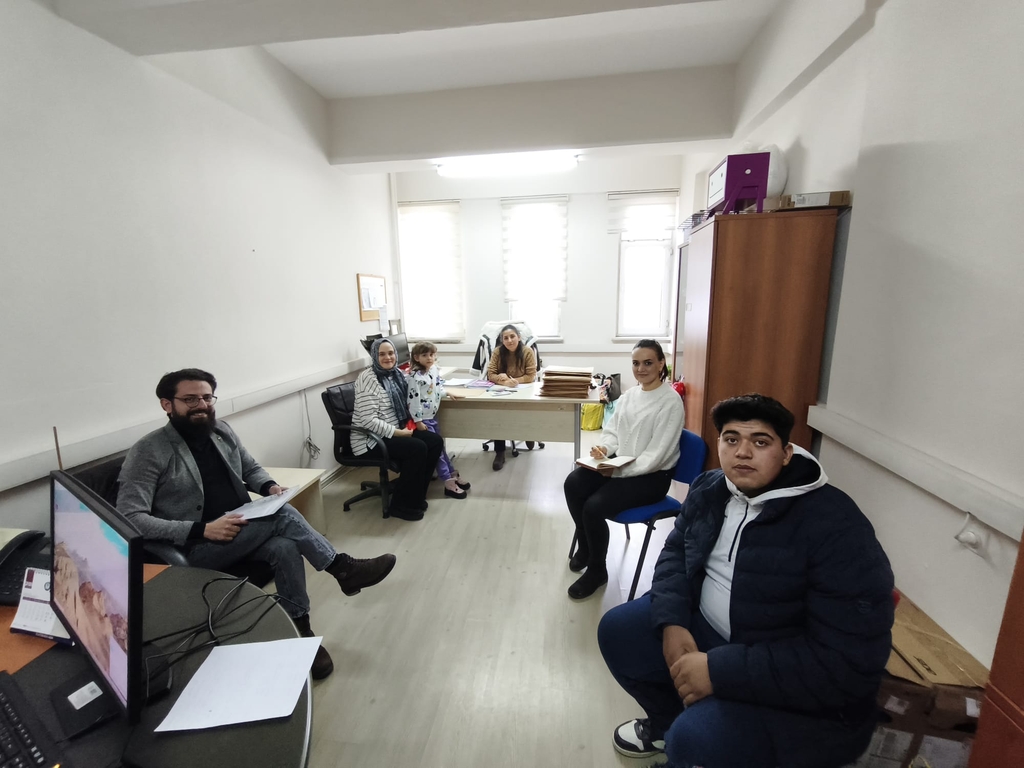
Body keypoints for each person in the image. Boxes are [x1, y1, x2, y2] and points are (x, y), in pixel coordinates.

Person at [598, 394, 894, 768]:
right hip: (710, 635)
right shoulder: (710, 488)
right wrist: (672, 622)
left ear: (786, 453)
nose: (742, 452)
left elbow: (847, 662)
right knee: (618, 631)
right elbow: (675, 555)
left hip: (789, 678)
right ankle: (666, 727)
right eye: (731, 439)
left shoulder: (837, 525)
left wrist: (718, 671)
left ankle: (688, 746)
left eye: (760, 441)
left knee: (697, 738)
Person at [117, 368, 397, 681]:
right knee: (283, 516)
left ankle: (301, 631)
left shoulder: (220, 430)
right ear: (167, 404)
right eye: (190, 399)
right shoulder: (148, 451)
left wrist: (270, 488)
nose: (202, 405)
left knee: (285, 546)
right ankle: (342, 568)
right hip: (195, 547)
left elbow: (250, 468)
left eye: (207, 397)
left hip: (239, 530)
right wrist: (202, 529)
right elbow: (131, 518)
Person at [562, 339, 684, 600]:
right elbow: (613, 432)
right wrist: (604, 449)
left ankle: (597, 570)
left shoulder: (671, 402)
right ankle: (586, 545)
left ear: (661, 364)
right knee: (574, 483)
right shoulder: (629, 395)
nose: (641, 369)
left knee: (594, 506)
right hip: (622, 464)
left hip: (653, 476)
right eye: (636, 363)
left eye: (648, 362)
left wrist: (617, 472)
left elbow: (656, 456)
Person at [352, 338, 444, 521]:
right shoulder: (368, 379)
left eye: (391, 353)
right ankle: (400, 506)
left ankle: (416, 496)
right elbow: (368, 420)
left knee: (435, 441)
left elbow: (415, 394)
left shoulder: (397, 374)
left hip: (397, 429)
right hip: (371, 439)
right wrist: (399, 433)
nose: (388, 357)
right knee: (417, 448)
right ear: (374, 356)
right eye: (382, 354)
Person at [406, 341, 471, 499]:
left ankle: (452, 473)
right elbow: (413, 400)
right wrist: (418, 421)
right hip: (424, 419)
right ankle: (448, 482)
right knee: (438, 454)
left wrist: (446, 393)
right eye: (425, 355)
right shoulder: (414, 377)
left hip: (433, 415)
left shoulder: (433, 370)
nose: (429, 358)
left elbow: (436, 387)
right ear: (416, 357)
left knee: (440, 447)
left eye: (432, 355)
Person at [485, 323, 537, 470]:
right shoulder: (497, 352)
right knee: (498, 416)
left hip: (524, 389)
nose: (509, 340)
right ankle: (500, 452)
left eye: (512, 336)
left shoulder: (527, 351)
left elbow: (531, 376)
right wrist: (504, 382)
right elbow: (491, 374)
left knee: (523, 412)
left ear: (519, 337)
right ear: (502, 340)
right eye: (505, 338)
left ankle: (528, 434)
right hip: (502, 390)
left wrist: (514, 381)